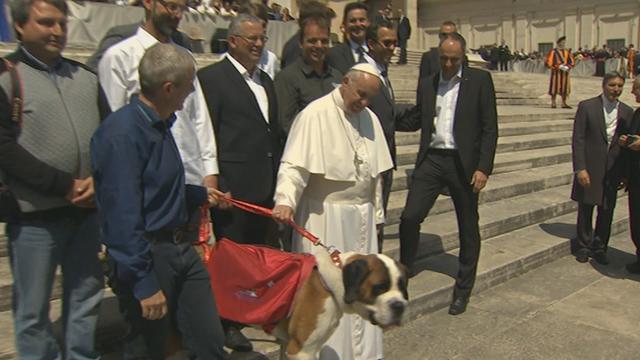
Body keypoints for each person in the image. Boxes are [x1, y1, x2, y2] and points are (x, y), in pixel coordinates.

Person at [92, 43, 227, 359]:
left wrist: (201, 195)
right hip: (149, 255)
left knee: (208, 340)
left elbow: (159, 187)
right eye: (189, 83)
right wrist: (143, 282)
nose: (192, 90)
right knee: (147, 348)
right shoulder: (122, 134)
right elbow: (122, 215)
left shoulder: (161, 125)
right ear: (169, 88)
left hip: (180, 249)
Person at [0, 0, 108, 358]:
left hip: (86, 215)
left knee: (85, 302)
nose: (57, 31)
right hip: (34, 217)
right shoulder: (6, 77)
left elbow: (108, 138)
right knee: (32, 313)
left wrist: (98, 179)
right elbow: (5, 149)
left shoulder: (86, 77)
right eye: (46, 22)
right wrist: (64, 185)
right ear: (18, 26)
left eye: (62, 23)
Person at [272, 63, 392, 360]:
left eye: (369, 99)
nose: (363, 103)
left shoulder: (370, 119)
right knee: (323, 299)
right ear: (345, 83)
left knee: (361, 291)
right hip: (325, 218)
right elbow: (294, 167)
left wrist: (377, 216)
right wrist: (285, 200)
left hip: (361, 221)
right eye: (360, 95)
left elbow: (373, 177)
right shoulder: (315, 114)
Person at [197, 14, 285, 351]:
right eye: (252, 39)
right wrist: (217, 182)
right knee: (231, 258)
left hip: (265, 185)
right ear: (233, 40)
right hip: (233, 190)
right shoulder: (212, 79)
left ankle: (253, 310)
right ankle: (227, 321)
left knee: (258, 255)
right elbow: (209, 134)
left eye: (262, 39)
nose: (259, 44)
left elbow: (270, 134)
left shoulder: (265, 80)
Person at [396, 32, 498, 316]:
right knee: (409, 216)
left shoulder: (479, 81)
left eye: (454, 59)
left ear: (463, 57)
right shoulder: (429, 83)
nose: (449, 64)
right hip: (432, 159)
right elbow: (417, 117)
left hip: (463, 163)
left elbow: (490, 127)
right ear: (437, 57)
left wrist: (483, 167)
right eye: (444, 59)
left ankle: (463, 289)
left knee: (467, 226)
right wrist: (384, 115)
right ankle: (406, 268)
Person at [571, 71, 633, 265]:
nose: (616, 89)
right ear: (604, 85)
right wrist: (580, 168)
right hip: (590, 165)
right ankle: (583, 245)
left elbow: (627, 147)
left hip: (612, 169)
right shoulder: (587, 107)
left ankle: (600, 247)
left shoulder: (627, 112)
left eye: (619, 86)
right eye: (612, 85)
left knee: (607, 209)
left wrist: (624, 173)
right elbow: (578, 139)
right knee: (586, 208)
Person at [365, 20, 400, 252]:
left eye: (395, 43)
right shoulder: (365, 75)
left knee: (380, 220)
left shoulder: (383, 73)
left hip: (385, 160)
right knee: (370, 224)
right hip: (369, 162)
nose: (392, 48)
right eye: (387, 43)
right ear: (371, 43)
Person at [274, 13, 342, 133]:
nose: (319, 46)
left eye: (324, 41)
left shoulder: (337, 77)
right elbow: (286, 125)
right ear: (301, 43)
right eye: (312, 41)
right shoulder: (287, 78)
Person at [619, 76, 640, 274]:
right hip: (636, 177)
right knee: (637, 220)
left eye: (636, 89)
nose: (633, 92)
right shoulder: (637, 113)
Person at [326, 2, 370, 74]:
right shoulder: (333, 55)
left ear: (368, 22)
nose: (358, 24)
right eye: (352, 21)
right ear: (345, 24)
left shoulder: (376, 52)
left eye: (362, 20)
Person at [545, 36, 575, 109]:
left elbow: (572, 61)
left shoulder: (567, 51)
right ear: (558, 43)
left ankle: (564, 103)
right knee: (554, 87)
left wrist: (568, 66)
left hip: (565, 73)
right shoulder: (553, 51)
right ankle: (553, 102)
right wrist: (557, 66)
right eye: (562, 42)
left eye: (564, 42)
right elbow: (549, 62)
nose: (563, 44)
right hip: (556, 72)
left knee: (565, 87)